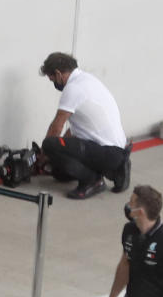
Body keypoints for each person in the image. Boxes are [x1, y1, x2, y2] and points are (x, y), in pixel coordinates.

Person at [40, 52, 131, 200]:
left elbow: (56, 127)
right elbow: (76, 129)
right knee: (58, 172)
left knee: (49, 144)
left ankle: (93, 181)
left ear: (58, 74)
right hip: (117, 149)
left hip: (107, 152)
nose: (54, 84)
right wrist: (58, 152)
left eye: (52, 80)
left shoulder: (73, 88)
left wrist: (44, 154)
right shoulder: (88, 80)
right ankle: (117, 168)